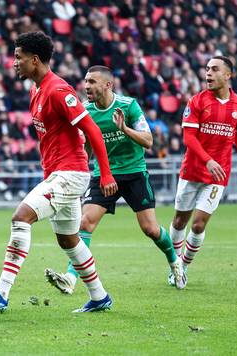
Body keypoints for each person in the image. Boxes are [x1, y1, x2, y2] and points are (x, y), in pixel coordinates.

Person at [0, 32, 118, 313]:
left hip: (70, 174)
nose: (14, 63)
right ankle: (99, 296)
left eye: (18, 57)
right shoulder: (36, 89)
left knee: (20, 217)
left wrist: (106, 174)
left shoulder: (58, 90)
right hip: (57, 173)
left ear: (34, 60)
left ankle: (1, 292)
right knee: (69, 240)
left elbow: (93, 131)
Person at [44, 66, 184, 296]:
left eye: (92, 82)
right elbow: (88, 147)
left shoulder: (128, 106)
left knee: (149, 228)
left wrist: (125, 129)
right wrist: (78, 168)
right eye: (85, 81)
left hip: (134, 172)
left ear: (108, 85)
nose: (86, 86)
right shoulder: (86, 111)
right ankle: (70, 277)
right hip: (103, 174)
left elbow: (148, 141)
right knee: (85, 223)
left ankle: (174, 260)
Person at [168, 56, 237, 288]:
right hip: (193, 170)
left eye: (214, 69)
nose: (208, 73)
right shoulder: (197, 101)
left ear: (228, 75)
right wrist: (207, 161)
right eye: (207, 69)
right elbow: (188, 137)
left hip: (218, 174)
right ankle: (174, 264)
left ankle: (182, 268)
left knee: (198, 225)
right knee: (179, 222)